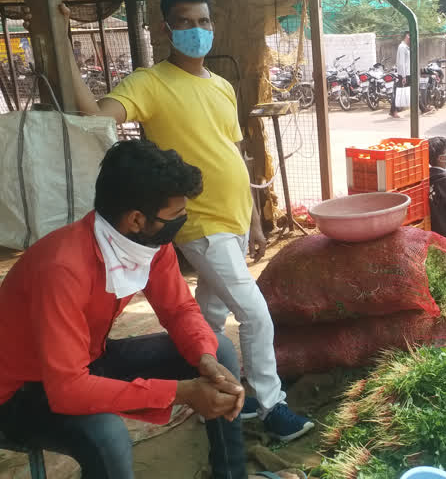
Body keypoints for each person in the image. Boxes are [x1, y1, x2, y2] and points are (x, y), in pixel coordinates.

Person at [31, 0, 313, 438]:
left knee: (210, 317)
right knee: (257, 314)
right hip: (198, 222)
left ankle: (217, 397)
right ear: (167, 30)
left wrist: (256, 217)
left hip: (235, 217)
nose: (197, 30)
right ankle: (269, 403)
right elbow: (94, 114)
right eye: (185, 22)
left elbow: (234, 152)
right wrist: (64, 41)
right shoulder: (149, 83)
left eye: (204, 21)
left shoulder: (220, 85)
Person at [0, 140, 299, 479]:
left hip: (86, 358)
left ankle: (230, 475)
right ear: (137, 219)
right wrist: (181, 392)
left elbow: (180, 309)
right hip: (19, 393)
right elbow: (68, 389)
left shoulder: (146, 245)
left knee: (219, 347)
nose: (183, 221)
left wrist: (204, 358)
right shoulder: (62, 268)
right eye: (176, 215)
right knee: (106, 434)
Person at [390, 31, 430, 118]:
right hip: (404, 75)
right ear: (408, 36)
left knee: (414, 91)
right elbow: (401, 63)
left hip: (409, 73)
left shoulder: (407, 47)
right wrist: (403, 76)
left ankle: (423, 109)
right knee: (400, 92)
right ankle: (393, 111)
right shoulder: (402, 47)